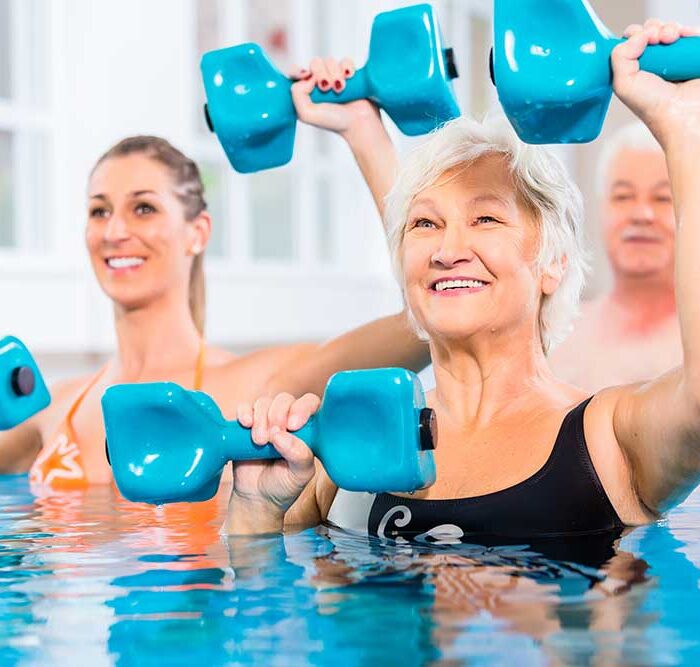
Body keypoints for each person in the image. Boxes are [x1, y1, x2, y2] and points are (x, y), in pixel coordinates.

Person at [226, 20, 700, 539]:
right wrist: (255, 508)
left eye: (485, 219)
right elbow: (256, 611)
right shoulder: (344, 450)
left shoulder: (608, 437)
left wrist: (692, 132)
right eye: (424, 225)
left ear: (553, 261)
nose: (447, 250)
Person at [0, 57, 428, 493]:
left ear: (198, 232)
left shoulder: (261, 385)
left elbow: (426, 322)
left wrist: (362, 132)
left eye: (143, 208)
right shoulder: (55, 408)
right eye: (99, 211)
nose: (114, 231)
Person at [549, 120, 700, 394]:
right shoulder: (557, 332)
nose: (641, 214)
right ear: (600, 209)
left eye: (662, 198)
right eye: (623, 197)